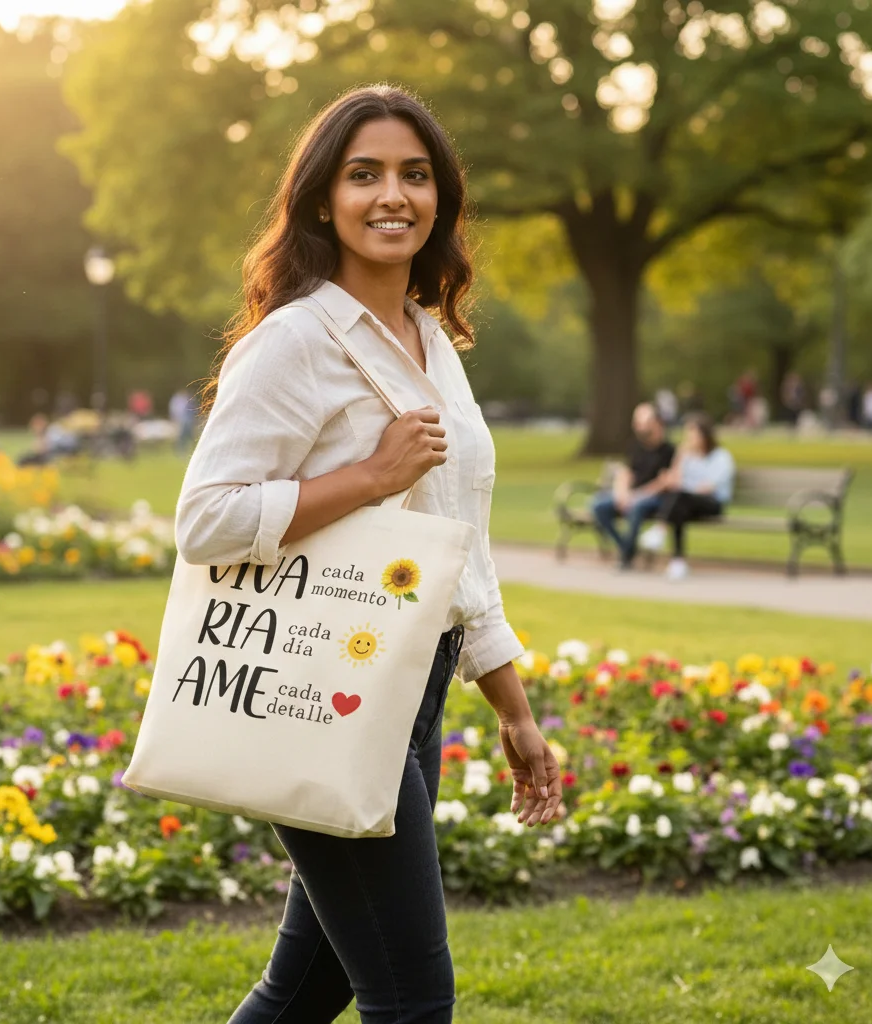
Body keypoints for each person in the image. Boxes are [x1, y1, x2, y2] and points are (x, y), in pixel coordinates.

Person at [173, 85, 563, 1022]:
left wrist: (511, 709)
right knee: (413, 1001)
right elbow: (204, 521)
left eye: (415, 175)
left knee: (309, 987)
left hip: (411, 686)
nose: (394, 196)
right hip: (322, 690)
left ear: (441, 202)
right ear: (321, 200)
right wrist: (368, 478)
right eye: (364, 175)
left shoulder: (431, 340)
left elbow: (457, 543)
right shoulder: (294, 340)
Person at [639, 413, 736, 580]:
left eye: (693, 434)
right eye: (688, 435)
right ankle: (678, 563)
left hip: (712, 503)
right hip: (686, 502)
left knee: (678, 499)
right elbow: (675, 482)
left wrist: (684, 489)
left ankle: (660, 530)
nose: (690, 439)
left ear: (705, 436)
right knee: (678, 509)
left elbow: (707, 488)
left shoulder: (721, 457)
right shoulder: (688, 456)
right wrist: (679, 458)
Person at [591, 403, 675, 570]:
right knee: (598, 505)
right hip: (632, 495)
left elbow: (666, 482)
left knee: (637, 507)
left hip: (654, 498)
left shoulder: (669, 450)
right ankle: (627, 548)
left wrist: (638, 495)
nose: (640, 427)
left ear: (657, 423)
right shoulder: (636, 447)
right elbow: (626, 473)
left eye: (645, 422)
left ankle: (625, 556)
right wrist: (622, 494)